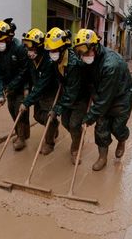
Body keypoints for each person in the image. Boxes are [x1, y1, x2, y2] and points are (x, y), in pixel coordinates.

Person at [73, 29, 132, 171]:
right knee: (101, 127)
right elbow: (88, 80)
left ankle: (122, 139)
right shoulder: (88, 58)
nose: (83, 56)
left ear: (95, 46)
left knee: (117, 127)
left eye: (85, 51)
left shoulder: (111, 64)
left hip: (121, 96)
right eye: (80, 52)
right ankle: (102, 157)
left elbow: (105, 100)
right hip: (102, 93)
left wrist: (89, 118)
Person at [44, 27, 90, 164]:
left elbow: (72, 93)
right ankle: (79, 137)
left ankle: (75, 149)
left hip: (80, 97)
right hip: (67, 95)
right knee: (65, 123)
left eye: (55, 50)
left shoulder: (74, 63)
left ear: (63, 48)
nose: (52, 53)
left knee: (74, 124)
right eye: (50, 51)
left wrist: (56, 109)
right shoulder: (55, 61)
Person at [0, 18, 30, 150]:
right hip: (8, 87)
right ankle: (21, 133)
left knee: (20, 111)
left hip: (22, 85)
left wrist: (16, 87)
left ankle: (22, 138)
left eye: (0, 40)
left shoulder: (19, 48)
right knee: (12, 110)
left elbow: (24, 71)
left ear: (8, 38)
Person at [19, 28, 60, 155]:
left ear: (40, 46)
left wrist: (27, 102)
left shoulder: (48, 61)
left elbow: (43, 84)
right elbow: (28, 76)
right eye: (27, 47)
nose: (29, 51)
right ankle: (53, 127)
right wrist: (26, 89)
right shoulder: (31, 59)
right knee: (37, 116)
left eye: (31, 47)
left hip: (50, 92)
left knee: (48, 117)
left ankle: (49, 143)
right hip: (38, 92)